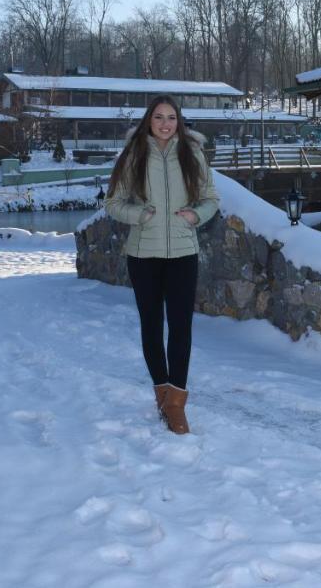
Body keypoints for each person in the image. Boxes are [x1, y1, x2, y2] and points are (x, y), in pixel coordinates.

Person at [104, 95, 219, 434]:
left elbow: (211, 199)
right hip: (143, 254)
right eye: (159, 117)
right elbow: (113, 202)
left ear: (179, 121)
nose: (166, 124)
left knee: (181, 328)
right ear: (148, 121)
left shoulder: (192, 153)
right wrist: (139, 214)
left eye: (171, 117)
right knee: (152, 326)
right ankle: (161, 392)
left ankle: (176, 405)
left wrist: (196, 214)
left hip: (184, 252)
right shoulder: (133, 155)